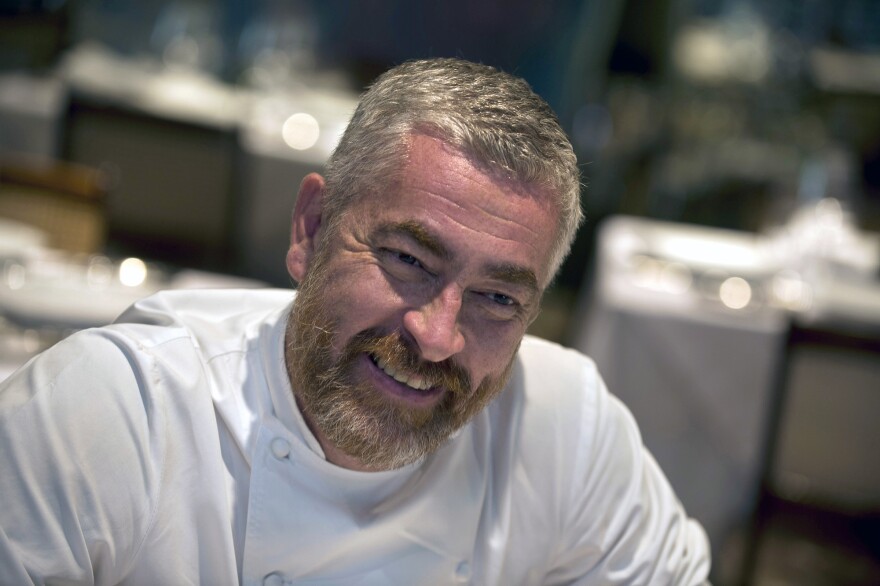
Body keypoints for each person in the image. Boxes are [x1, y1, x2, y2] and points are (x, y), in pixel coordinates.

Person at [0, 58, 710, 584]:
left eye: (499, 299)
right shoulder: (116, 415)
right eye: (407, 259)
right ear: (311, 227)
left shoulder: (563, 426)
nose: (437, 337)